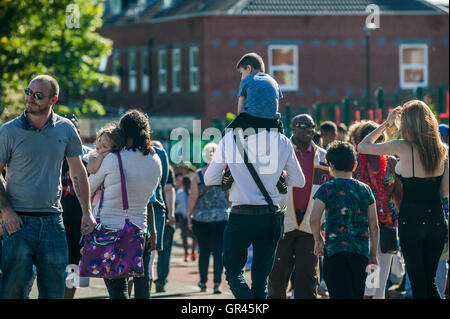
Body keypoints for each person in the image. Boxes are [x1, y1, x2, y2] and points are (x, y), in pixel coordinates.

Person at [0, 75, 96, 299]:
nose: (30, 98)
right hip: (18, 224)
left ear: (53, 99)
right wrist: (7, 212)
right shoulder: (9, 131)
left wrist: (87, 212)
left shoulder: (65, 129)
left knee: (54, 292)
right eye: (28, 92)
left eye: (38, 95)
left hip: (54, 222)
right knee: (13, 292)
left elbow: (78, 172)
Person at [358, 100, 449, 299]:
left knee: (418, 284)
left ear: (407, 123)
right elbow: (444, 192)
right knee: (430, 281)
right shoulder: (442, 150)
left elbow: (362, 147)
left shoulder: (402, 147)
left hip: (411, 221)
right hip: (436, 220)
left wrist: (386, 123)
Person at [204, 126, 305, 299]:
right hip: (269, 216)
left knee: (233, 272)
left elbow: (210, 178)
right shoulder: (282, 140)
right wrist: (276, 178)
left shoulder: (231, 139)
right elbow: (299, 181)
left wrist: (237, 177)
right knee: (260, 279)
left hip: (240, 214)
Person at [88, 109, 162, 299]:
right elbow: (149, 198)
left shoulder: (113, 158)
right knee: (139, 288)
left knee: (117, 291)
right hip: (139, 232)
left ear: (123, 132)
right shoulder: (156, 161)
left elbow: (88, 187)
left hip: (110, 231)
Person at [268, 114, 332, 299]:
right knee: (277, 275)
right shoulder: (279, 153)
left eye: (312, 126)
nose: (309, 129)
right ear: (292, 127)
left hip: (310, 225)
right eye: (303, 125)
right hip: (283, 224)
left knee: (308, 278)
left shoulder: (324, 157)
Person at [310, 141, 379, 299]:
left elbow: (314, 218)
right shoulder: (365, 189)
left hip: (334, 251)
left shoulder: (326, 188)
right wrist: (373, 254)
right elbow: (374, 225)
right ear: (355, 166)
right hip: (360, 252)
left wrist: (318, 240)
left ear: (331, 165)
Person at [353, 121, 403, 299]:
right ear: (361, 140)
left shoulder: (390, 161)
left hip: (387, 225)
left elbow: (399, 196)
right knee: (368, 277)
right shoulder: (355, 163)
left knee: (381, 280)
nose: (376, 142)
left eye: (380, 137)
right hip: (362, 226)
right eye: (372, 137)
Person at [187, 143, 230, 294]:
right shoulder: (224, 174)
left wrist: (189, 216)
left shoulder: (198, 175)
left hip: (201, 218)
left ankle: (203, 282)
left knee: (203, 251)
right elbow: (229, 197)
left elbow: (193, 197)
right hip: (221, 217)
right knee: (219, 252)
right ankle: (217, 283)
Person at [60, 114, 94, 299]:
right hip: (55, 220)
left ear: (78, 133)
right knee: (52, 269)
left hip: (78, 222)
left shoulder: (89, 158)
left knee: (73, 270)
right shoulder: (52, 154)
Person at [225, 52, 284, 135]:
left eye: (242, 73)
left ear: (249, 68)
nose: (241, 77)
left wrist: (238, 122)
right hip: (271, 121)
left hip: (252, 120)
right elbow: (276, 103)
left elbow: (240, 108)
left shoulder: (247, 80)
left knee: (226, 134)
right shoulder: (273, 81)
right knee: (280, 130)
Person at [151, 140, 176, 294]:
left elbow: (169, 190)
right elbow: (169, 190)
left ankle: (147, 277)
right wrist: (171, 213)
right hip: (163, 214)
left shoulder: (145, 164)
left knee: (149, 250)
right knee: (164, 250)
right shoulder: (168, 168)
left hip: (151, 213)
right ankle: (160, 279)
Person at [175, 176, 198, 262]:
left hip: (193, 216)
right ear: (183, 183)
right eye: (186, 183)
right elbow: (175, 204)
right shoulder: (179, 193)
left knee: (194, 236)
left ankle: (193, 252)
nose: (187, 184)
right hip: (183, 217)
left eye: (189, 183)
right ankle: (186, 253)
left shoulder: (193, 191)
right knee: (184, 236)